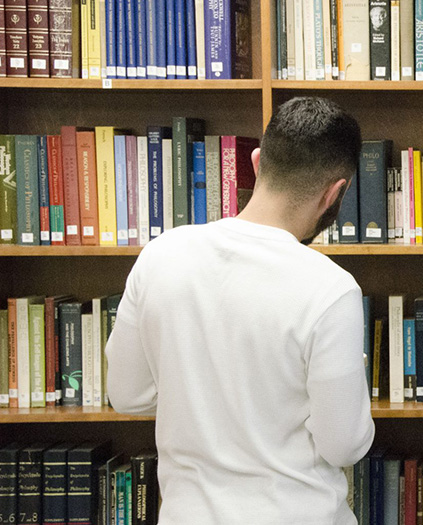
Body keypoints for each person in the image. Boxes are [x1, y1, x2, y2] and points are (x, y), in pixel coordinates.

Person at [106, 97, 375, 524]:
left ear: (254, 162)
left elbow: (127, 396)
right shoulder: (331, 288)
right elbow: (343, 445)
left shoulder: (159, 257)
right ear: (335, 192)